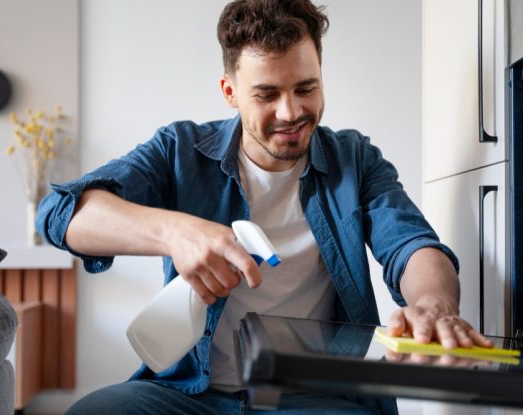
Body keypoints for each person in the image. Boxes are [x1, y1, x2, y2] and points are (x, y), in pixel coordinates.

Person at [38, 0, 493, 413]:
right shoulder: (179, 150)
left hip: (316, 398)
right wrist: (173, 233)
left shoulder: (354, 159)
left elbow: (410, 243)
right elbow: (60, 213)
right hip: (193, 396)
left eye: (306, 88)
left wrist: (435, 304)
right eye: (267, 94)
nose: (290, 112)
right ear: (230, 91)